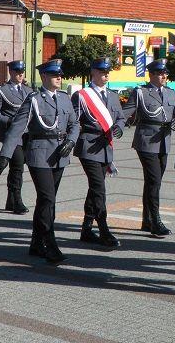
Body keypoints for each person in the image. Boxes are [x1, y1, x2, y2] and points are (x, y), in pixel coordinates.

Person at [0, 59, 79, 264]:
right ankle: (50, 243)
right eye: (54, 74)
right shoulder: (33, 99)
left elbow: (75, 124)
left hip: (60, 154)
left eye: (60, 74)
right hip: (39, 154)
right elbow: (16, 128)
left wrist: (71, 140)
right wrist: (4, 156)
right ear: (44, 77)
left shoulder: (65, 99)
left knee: (46, 201)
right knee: (47, 198)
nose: (59, 77)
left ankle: (36, 243)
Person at [71, 57, 126, 248]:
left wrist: (119, 127)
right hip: (89, 146)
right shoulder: (82, 95)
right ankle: (104, 230)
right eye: (102, 72)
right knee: (99, 188)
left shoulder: (112, 95)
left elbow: (120, 117)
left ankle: (86, 228)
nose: (106, 75)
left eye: (107, 72)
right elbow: (73, 121)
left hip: (106, 147)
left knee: (96, 188)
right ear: (93, 73)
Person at [122, 58, 175, 237]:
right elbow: (125, 112)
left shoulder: (170, 93)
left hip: (164, 140)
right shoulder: (141, 92)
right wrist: (115, 125)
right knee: (154, 180)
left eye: (165, 73)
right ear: (152, 75)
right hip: (146, 141)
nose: (164, 76)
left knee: (154, 182)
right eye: (161, 73)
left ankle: (146, 220)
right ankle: (156, 221)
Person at [0, 60, 33, 214]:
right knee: (17, 167)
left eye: (22, 72)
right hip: (12, 135)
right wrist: (8, 120)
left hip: (27, 134)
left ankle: (10, 200)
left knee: (18, 167)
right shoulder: (2, 91)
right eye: (17, 72)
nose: (20, 74)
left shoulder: (28, 91)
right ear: (11, 72)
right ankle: (17, 200)